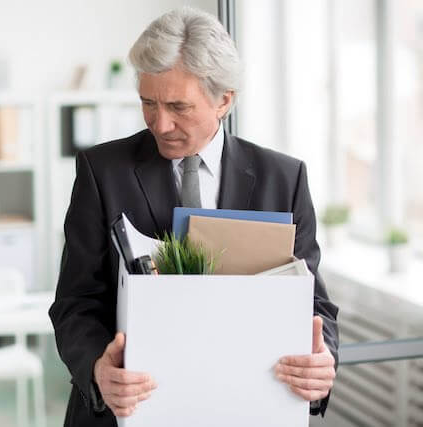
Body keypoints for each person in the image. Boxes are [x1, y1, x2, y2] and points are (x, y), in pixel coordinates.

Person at [49, 7, 339, 426]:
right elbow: (75, 302)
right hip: (124, 413)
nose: (160, 123)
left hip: (246, 408)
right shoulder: (102, 171)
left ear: (224, 99)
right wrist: (98, 369)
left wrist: (322, 359)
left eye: (178, 106)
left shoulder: (285, 178)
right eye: (148, 102)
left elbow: (313, 303)